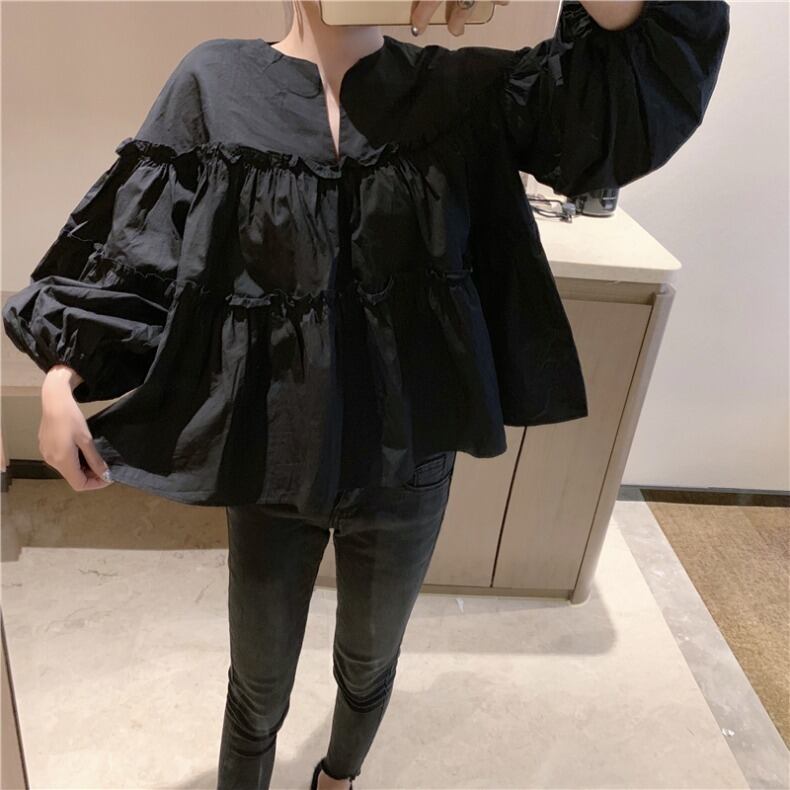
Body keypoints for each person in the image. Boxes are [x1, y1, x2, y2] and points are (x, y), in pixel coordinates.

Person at [2, 0, 730, 787]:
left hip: (407, 469)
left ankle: (338, 779)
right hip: (271, 464)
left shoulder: (460, 93)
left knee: (369, 661)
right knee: (256, 686)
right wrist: (64, 375)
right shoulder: (214, 82)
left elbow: (629, 87)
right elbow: (143, 250)